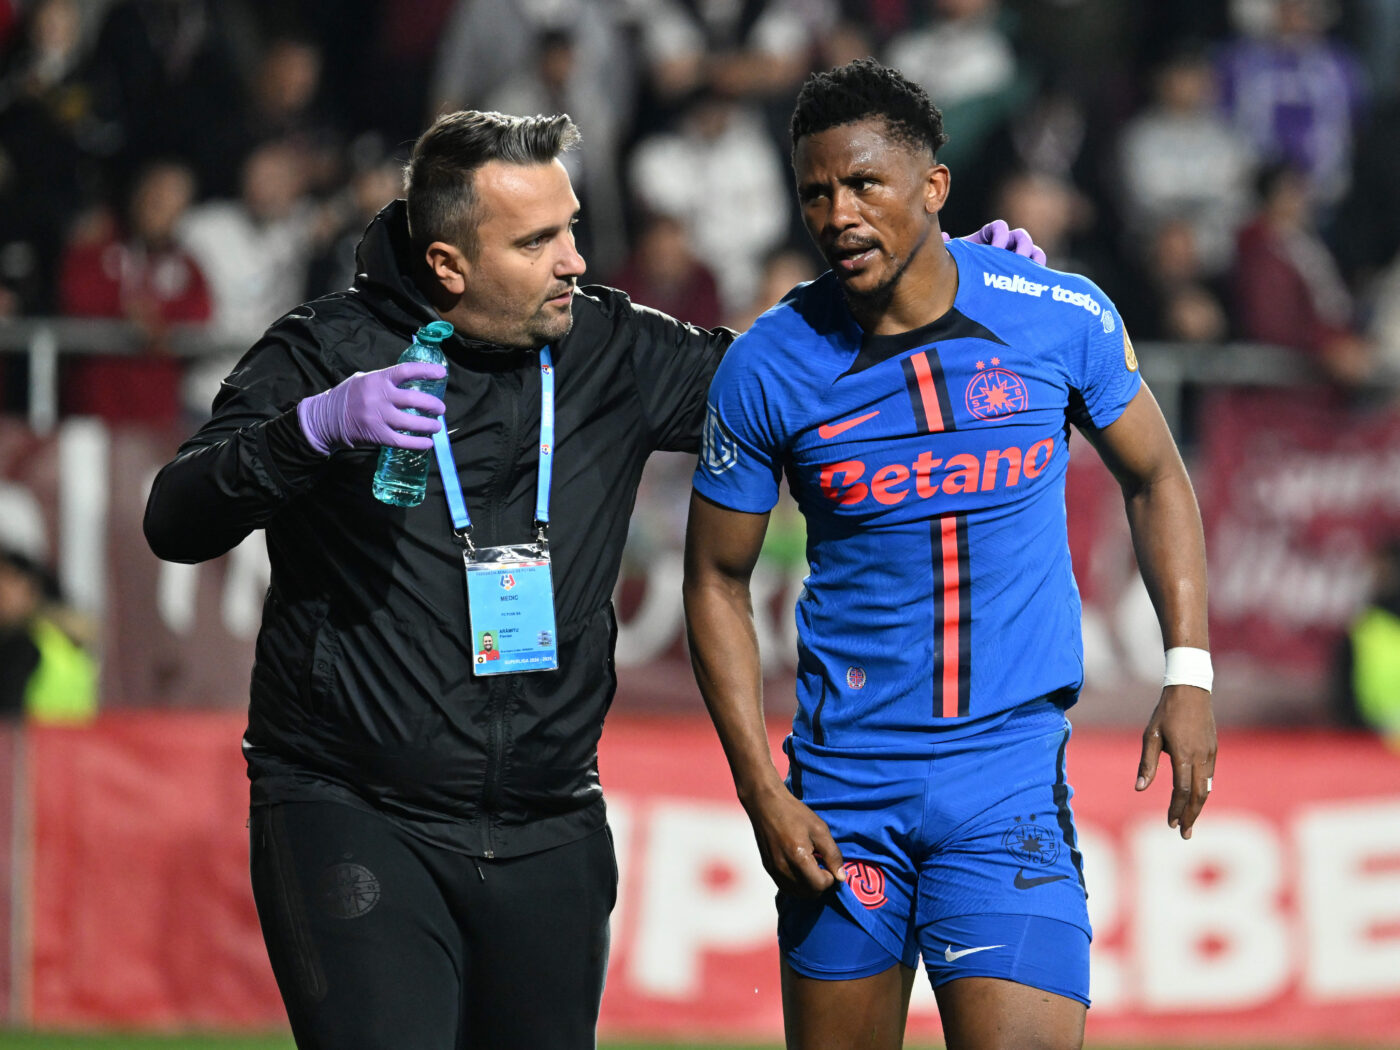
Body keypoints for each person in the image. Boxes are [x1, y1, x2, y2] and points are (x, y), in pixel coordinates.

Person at [142, 108, 1041, 1050]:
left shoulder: (610, 348)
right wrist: (310, 431)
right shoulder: (326, 352)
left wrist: (936, 283)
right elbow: (175, 519)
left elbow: (786, 379)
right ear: (449, 264)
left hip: (551, 821)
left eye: (570, 227)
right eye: (537, 241)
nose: (574, 259)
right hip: (357, 811)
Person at [683, 60, 1217, 1050]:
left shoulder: (1056, 313)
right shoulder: (766, 365)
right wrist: (761, 791)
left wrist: (1186, 672)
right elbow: (715, 578)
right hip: (842, 790)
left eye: (863, 184)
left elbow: (1156, 477)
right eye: (815, 192)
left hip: (1005, 780)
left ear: (933, 186)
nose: (838, 214)